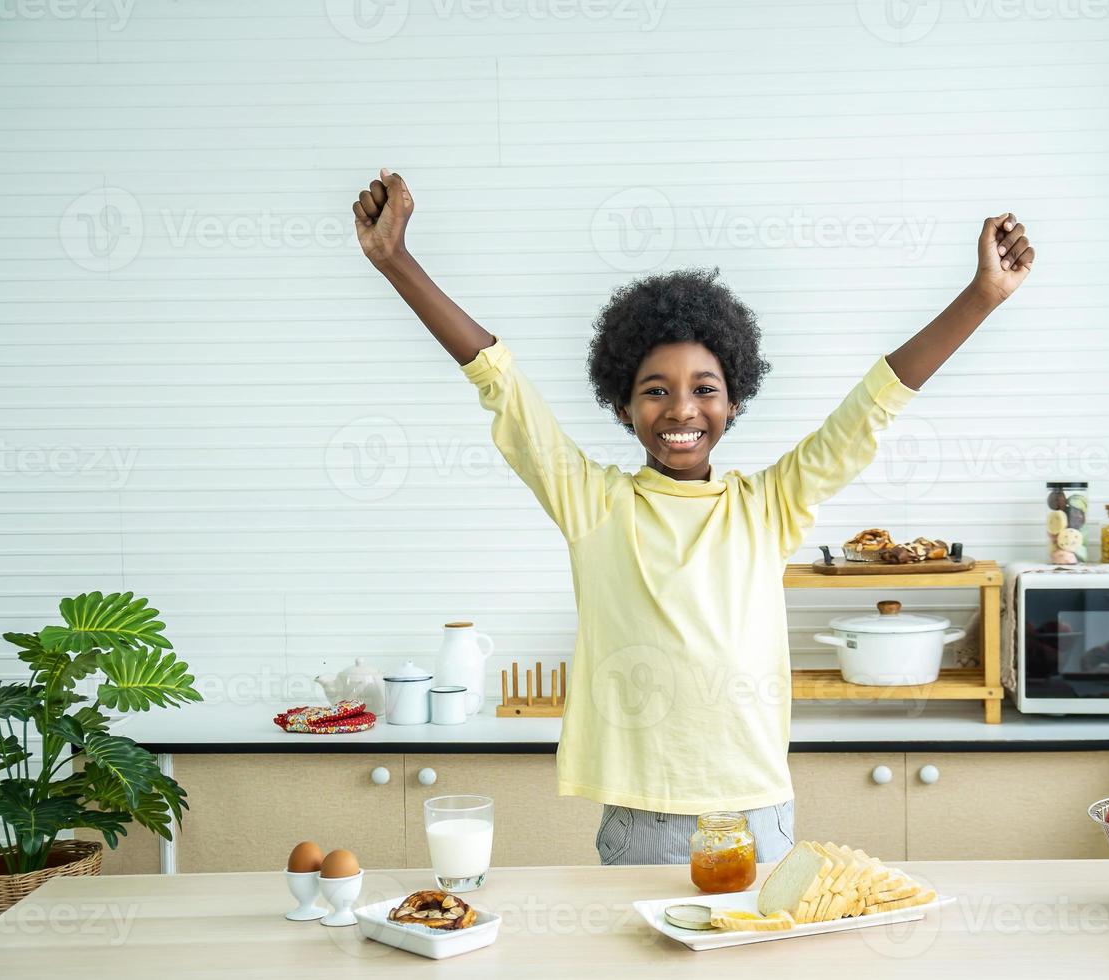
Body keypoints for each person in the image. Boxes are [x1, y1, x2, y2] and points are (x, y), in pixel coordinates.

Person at [352, 169, 1035, 865]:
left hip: (757, 816)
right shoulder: (595, 505)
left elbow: (873, 406)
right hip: (644, 825)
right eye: (655, 391)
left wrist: (981, 296)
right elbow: (501, 385)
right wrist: (396, 261)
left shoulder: (769, 504)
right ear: (623, 407)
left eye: (704, 389)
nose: (681, 409)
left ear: (734, 401)